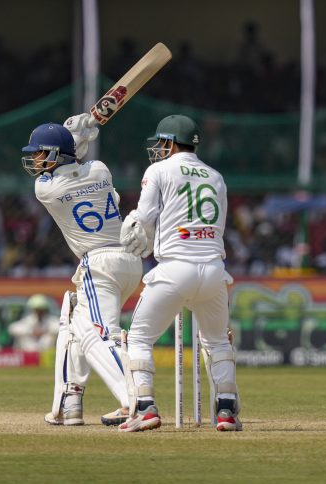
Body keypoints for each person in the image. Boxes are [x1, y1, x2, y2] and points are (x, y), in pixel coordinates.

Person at [117, 114, 241, 432]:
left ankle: (145, 408)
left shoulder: (159, 169)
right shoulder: (215, 176)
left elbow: (144, 217)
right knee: (217, 343)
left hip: (174, 268)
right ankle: (227, 411)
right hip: (214, 270)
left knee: (141, 338)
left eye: (161, 143)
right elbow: (220, 224)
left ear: (172, 143)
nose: (158, 149)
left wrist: (133, 228)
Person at [21, 117, 143, 426]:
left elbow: (67, 169)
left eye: (40, 154)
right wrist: (75, 144)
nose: (35, 161)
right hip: (130, 260)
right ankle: (69, 401)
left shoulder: (46, 189)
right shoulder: (101, 169)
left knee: (101, 335)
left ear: (55, 155)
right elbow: (83, 169)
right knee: (72, 320)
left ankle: (136, 401)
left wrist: (75, 139)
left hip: (99, 263)